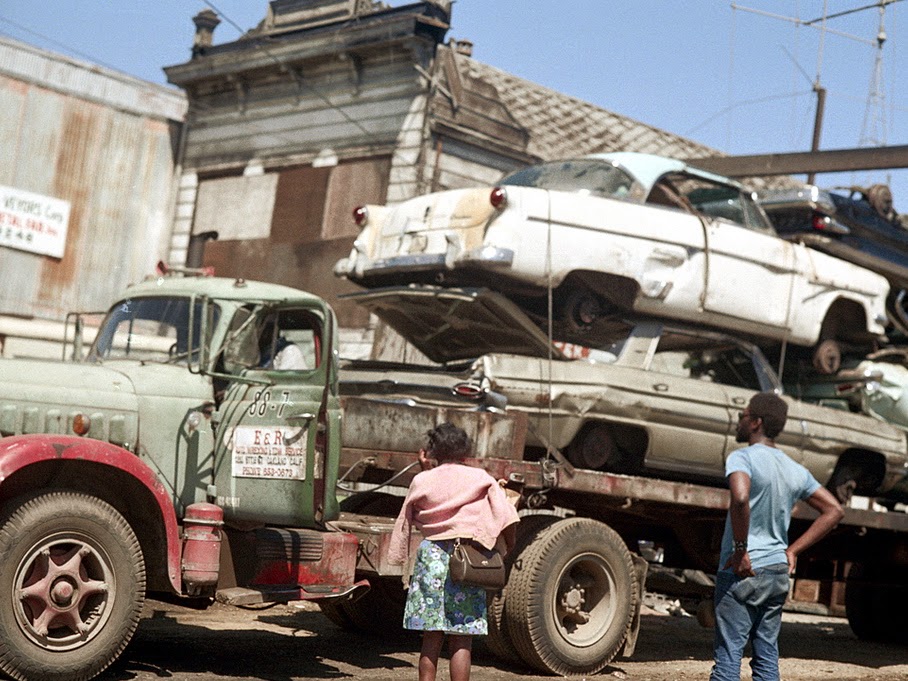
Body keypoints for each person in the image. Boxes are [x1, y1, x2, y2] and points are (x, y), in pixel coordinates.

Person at [709, 392, 844, 681]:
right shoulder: (794, 468)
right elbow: (833, 510)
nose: (738, 420)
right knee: (767, 656)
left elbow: (741, 497)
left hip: (743, 571)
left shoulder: (741, 457)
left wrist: (740, 549)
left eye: (743, 415)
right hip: (777, 571)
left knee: (728, 657)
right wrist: (793, 550)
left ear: (756, 422)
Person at [389, 423, 520, 681]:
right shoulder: (480, 478)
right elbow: (506, 515)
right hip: (467, 558)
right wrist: (505, 546)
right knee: (462, 637)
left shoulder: (422, 480)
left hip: (431, 558)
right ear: (465, 451)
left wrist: (398, 554)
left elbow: (405, 519)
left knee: (431, 635)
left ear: (432, 450)